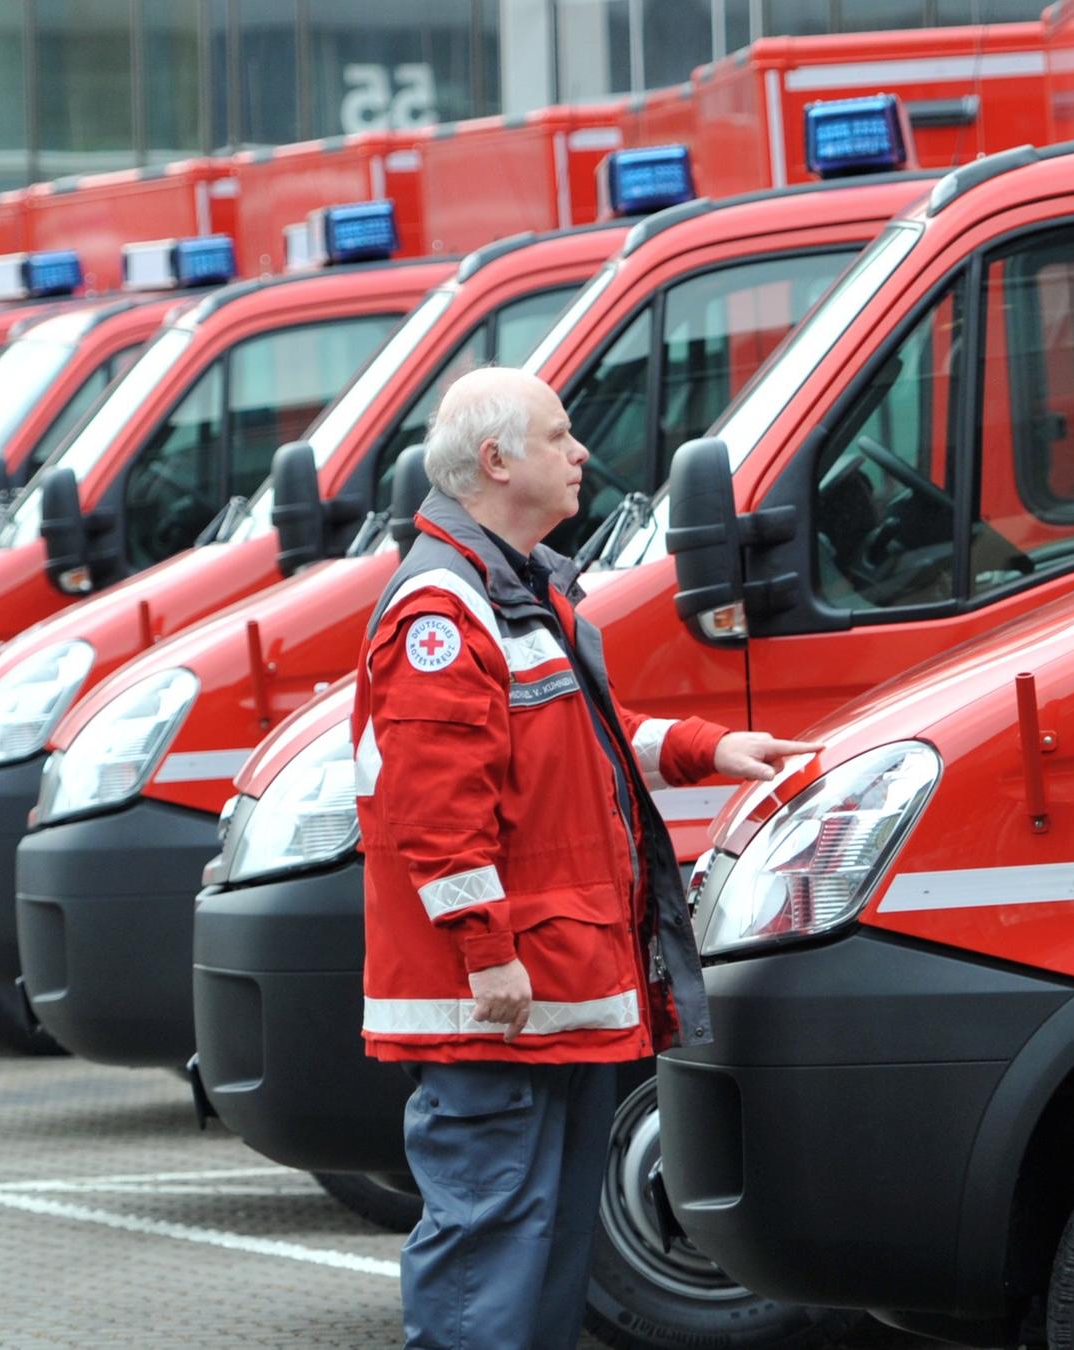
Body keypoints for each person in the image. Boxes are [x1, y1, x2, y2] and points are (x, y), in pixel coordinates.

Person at [352, 366, 816, 1348]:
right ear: (497, 461)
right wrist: (487, 952)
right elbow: (437, 811)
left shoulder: (505, 585)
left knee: (538, 1254)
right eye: (561, 436)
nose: (581, 455)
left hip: (544, 988)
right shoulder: (446, 604)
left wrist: (702, 748)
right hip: (500, 1000)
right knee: (490, 1257)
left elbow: (573, 736)